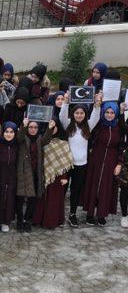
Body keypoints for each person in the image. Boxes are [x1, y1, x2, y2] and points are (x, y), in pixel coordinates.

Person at [59, 91, 101, 227]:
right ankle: (57, 214)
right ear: (73, 114)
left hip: (81, 164)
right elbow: (61, 115)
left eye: (81, 113)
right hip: (67, 164)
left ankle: (72, 214)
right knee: (63, 189)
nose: (79, 115)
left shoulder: (88, 126)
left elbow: (96, 115)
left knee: (76, 190)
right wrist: (66, 102)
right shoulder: (68, 125)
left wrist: (97, 104)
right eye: (76, 113)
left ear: (85, 115)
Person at [81, 101, 124, 226]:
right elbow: (89, 139)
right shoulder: (98, 126)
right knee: (93, 184)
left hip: (111, 160)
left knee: (106, 187)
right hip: (96, 159)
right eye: (107, 112)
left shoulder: (118, 128)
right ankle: (90, 213)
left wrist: (119, 163)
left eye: (112, 113)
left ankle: (101, 214)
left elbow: (121, 146)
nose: (109, 115)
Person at [14, 118, 54, 232]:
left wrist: (50, 128)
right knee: (20, 198)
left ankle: (27, 220)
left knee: (33, 199)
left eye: (35, 127)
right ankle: (20, 220)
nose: (33, 129)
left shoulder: (39, 139)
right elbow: (19, 137)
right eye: (31, 127)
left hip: (36, 172)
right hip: (23, 172)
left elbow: (46, 140)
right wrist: (24, 126)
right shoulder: (23, 138)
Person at [0, 122, 19, 233]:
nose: (9, 134)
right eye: (6, 131)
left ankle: (5, 222)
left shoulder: (16, 145)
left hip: (11, 176)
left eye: (11, 132)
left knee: (9, 200)